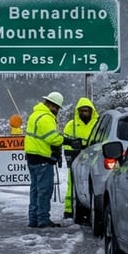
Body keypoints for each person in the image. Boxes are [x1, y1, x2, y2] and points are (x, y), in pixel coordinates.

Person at [25, 91, 66, 228]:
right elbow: (52, 138)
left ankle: (33, 219)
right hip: (42, 158)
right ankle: (43, 219)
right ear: (52, 105)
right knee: (44, 191)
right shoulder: (46, 117)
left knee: (35, 190)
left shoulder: (35, 114)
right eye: (57, 108)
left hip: (32, 158)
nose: (57, 110)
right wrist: (66, 140)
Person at [62, 98, 98, 219]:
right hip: (76, 159)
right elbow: (65, 142)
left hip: (93, 159)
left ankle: (92, 208)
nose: (84, 113)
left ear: (91, 111)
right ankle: (69, 209)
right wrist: (70, 155)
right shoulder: (71, 125)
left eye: (86, 110)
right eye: (82, 111)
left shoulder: (97, 124)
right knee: (72, 183)